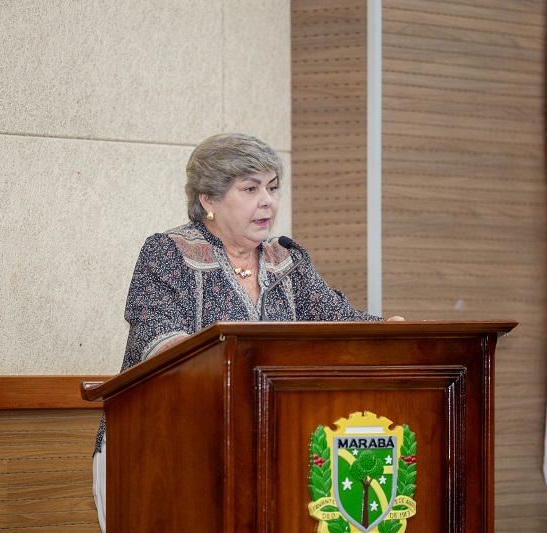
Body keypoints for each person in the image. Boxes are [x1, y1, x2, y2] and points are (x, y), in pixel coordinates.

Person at [91, 132, 402, 531]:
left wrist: (386, 332)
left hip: (265, 452)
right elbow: (159, 335)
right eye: (250, 188)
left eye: (272, 188)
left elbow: (337, 320)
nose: (268, 201)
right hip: (160, 451)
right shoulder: (167, 252)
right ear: (209, 199)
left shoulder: (287, 260)